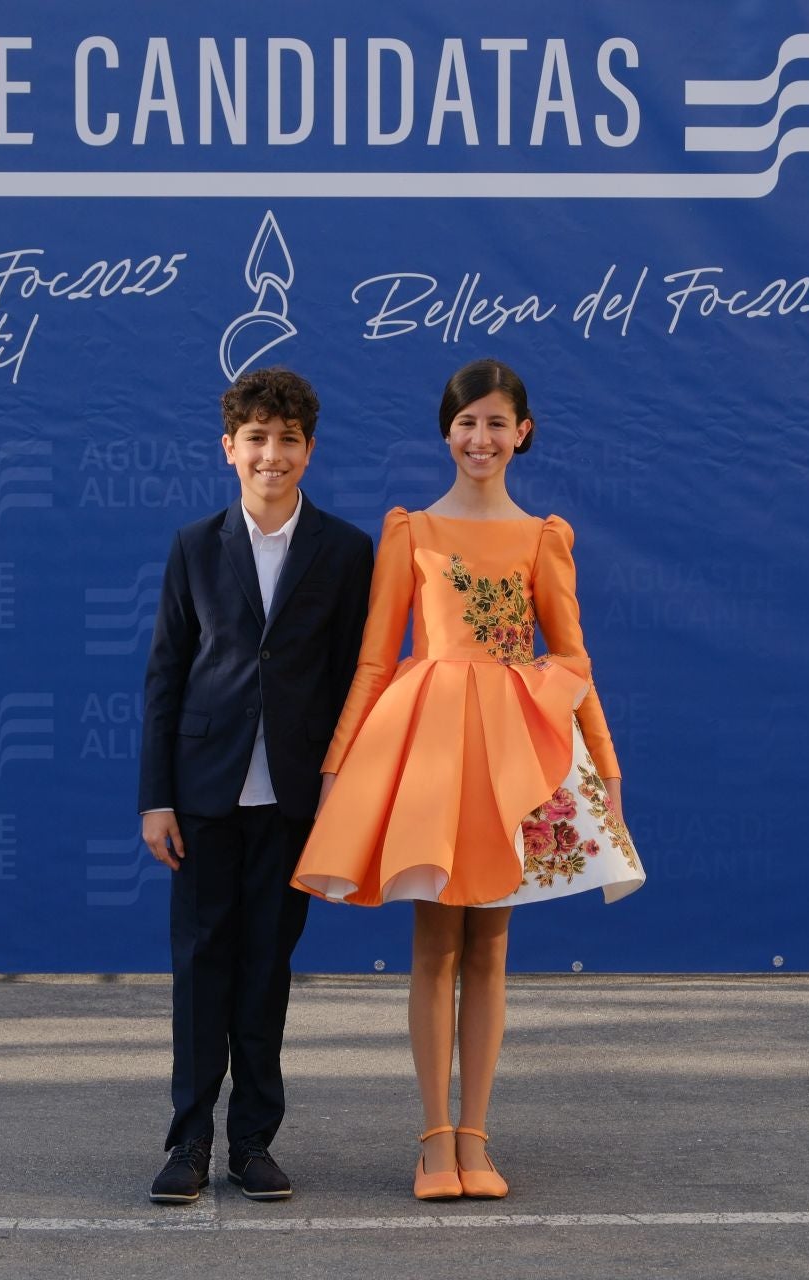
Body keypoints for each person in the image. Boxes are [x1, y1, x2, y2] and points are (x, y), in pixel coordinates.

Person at [293, 357, 645, 1201]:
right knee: (432, 945)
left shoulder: (542, 539)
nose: (480, 438)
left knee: (490, 946)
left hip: (511, 752)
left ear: (522, 432)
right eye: (466, 422)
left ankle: (477, 1138)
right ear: (445, 432)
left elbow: (573, 658)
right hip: (430, 750)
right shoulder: (409, 532)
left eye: (496, 422)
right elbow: (378, 660)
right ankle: (432, 1141)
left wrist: (608, 767)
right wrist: (338, 766)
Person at [138, 368, 374, 1204]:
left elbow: (358, 679)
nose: (271, 455)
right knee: (200, 967)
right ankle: (189, 1141)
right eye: (256, 439)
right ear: (228, 449)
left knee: (267, 968)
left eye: (288, 439)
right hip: (203, 795)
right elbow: (165, 676)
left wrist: (346, 795)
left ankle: (253, 1142)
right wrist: (155, 797)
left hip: (296, 800)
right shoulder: (195, 546)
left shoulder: (346, 551)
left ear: (310, 450)